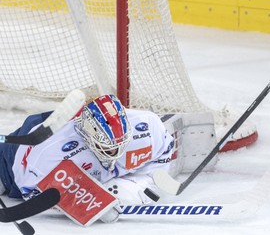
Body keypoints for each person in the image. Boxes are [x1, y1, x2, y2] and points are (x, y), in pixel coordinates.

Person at [0, 94, 174, 224]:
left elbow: (163, 152)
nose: (115, 152)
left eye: (121, 144)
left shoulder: (147, 126)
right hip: (10, 166)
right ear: (88, 137)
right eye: (107, 147)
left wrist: (139, 184)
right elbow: (30, 192)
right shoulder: (47, 154)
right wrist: (87, 201)